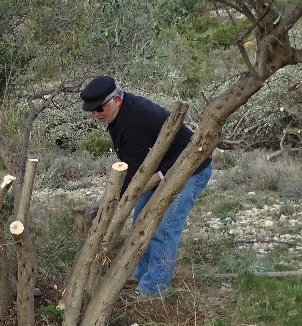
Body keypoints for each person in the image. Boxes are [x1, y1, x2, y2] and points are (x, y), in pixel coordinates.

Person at [80, 75, 213, 299]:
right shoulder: (118, 116)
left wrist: (111, 204)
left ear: (116, 100)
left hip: (189, 171)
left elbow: (135, 173)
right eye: (91, 110)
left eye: (99, 108)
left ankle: (154, 291)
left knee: (164, 229)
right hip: (158, 173)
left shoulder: (133, 120)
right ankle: (143, 277)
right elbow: (136, 167)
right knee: (141, 223)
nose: (95, 114)